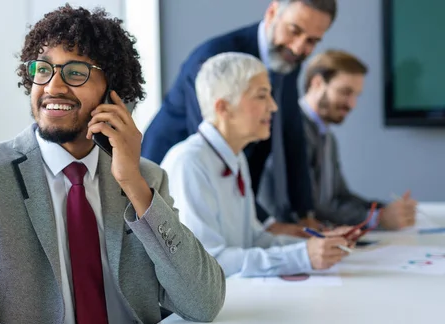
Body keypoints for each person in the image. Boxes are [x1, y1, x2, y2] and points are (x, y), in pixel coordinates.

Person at [0, 5, 225, 324]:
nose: (53, 86)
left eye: (75, 72)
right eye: (42, 70)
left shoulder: (145, 178)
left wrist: (134, 184)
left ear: (113, 92)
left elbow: (204, 302)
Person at [142, 0, 338, 236]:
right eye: (294, 30)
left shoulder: (288, 61)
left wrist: (306, 214)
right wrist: (269, 225)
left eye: (312, 41)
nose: (298, 48)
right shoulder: (214, 59)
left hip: (232, 175)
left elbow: (292, 134)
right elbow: (209, 143)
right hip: (167, 181)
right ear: (273, 11)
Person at [161, 52, 351, 277]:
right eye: (262, 96)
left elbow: (254, 239)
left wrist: (316, 243)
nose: (273, 107)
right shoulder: (189, 162)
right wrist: (302, 256)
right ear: (224, 107)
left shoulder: (235, 157)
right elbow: (208, 262)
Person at [283, 49, 415, 229]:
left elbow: (340, 196)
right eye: (345, 92)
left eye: (356, 95)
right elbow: (311, 207)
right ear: (317, 83)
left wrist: (385, 209)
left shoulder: (327, 137)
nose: (352, 104)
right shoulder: (294, 131)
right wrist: (376, 218)